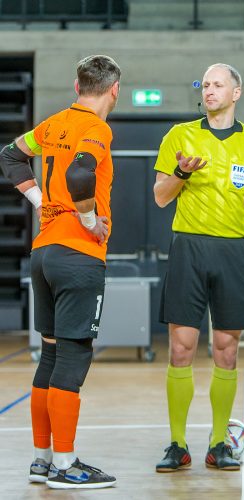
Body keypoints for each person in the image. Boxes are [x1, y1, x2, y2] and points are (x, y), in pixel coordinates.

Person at [0, 54, 120, 489]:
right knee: (73, 356)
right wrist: (89, 221)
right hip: (77, 255)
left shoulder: (50, 126)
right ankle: (67, 468)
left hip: (43, 252)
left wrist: (39, 204)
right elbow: (82, 173)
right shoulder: (97, 128)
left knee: (50, 356)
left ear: (76, 86)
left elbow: (10, 155)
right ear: (114, 90)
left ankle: (42, 460)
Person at [153, 63, 244, 472]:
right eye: (205, 85)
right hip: (188, 247)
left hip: (234, 250)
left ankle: (218, 442)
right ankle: (177, 443)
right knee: (181, 348)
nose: (209, 91)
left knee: (226, 350)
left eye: (217, 84)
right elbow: (159, 196)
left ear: (236, 92)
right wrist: (180, 173)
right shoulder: (180, 136)